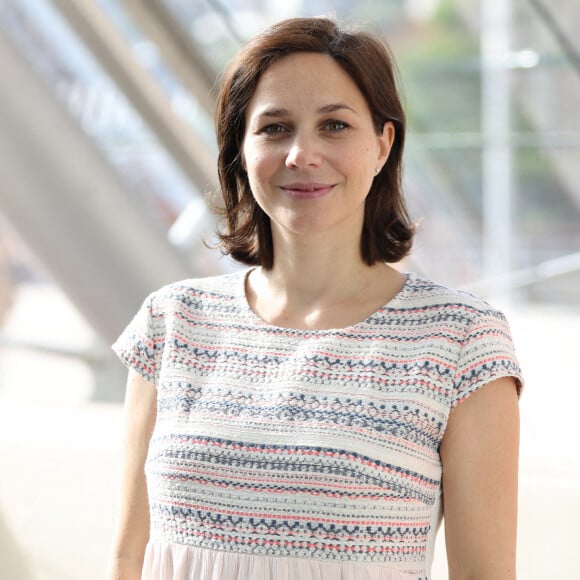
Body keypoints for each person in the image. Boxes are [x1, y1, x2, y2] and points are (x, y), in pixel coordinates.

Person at [108, 16, 522, 580]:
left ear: (382, 144)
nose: (302, 154)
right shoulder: (172, 322)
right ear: (240, 148)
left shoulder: (461, 339)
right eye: (275, 128)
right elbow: (129, 556)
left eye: (334, 125)